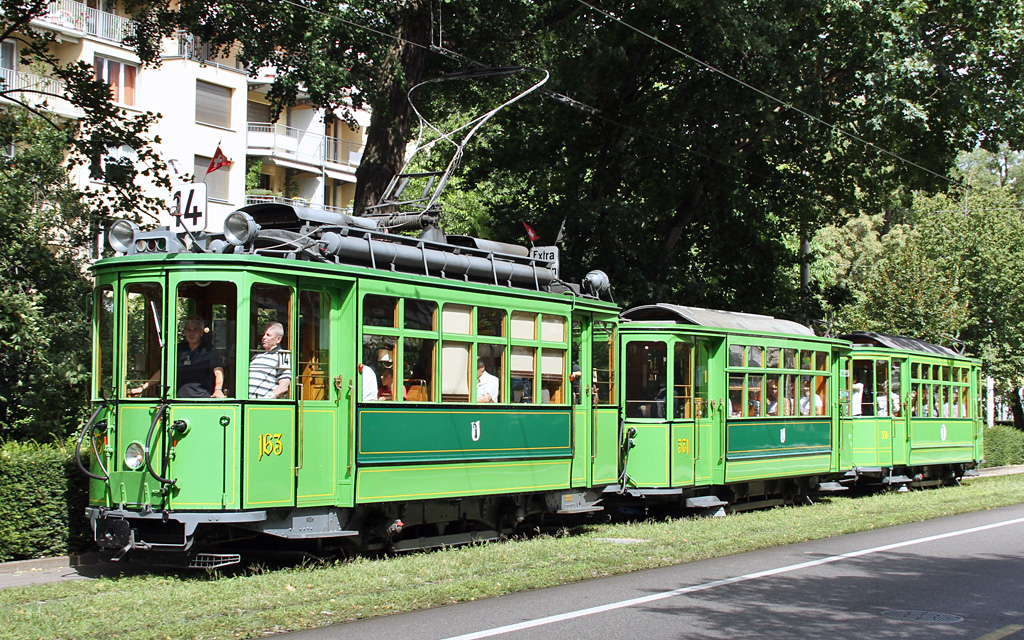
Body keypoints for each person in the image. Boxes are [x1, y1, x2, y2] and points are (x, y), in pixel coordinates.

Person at [129, 315, 225, 398]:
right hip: (178, 398)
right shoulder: (178, 349)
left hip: (201, 398)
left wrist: (218, 389)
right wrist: (142, 388)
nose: (191, 333)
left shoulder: (209, 350)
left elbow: (218, 371)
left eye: (195, 330)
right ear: (184, 332)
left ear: (201, 332)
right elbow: (163, 371)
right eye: (188, 329)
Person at [248, 322, 292, 399]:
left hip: (265, 405)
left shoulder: (282, 355)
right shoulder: (257, 356)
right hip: (249, 403)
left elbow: (284, 385)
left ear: (278, 339)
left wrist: (267, 398)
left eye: (268, 335)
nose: (264, 337)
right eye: (264, 334)